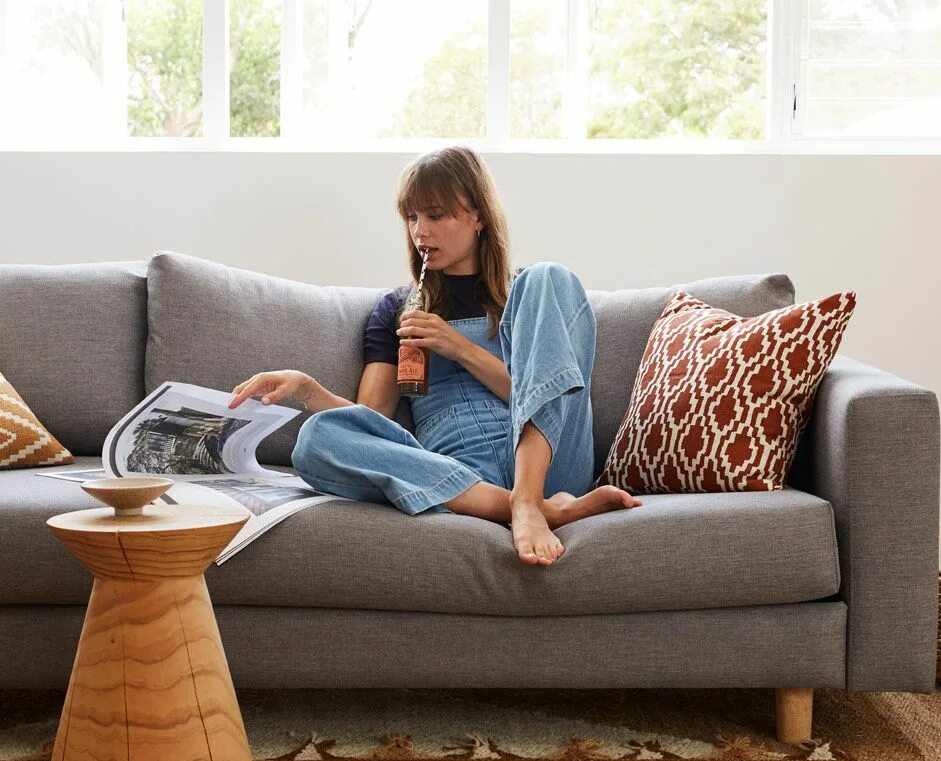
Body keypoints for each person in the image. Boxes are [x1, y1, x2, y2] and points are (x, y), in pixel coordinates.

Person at [228, 146, 641, 567]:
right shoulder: (397, 308)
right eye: (412, 217)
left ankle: (530, 496)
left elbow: (539, 401)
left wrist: (457, 347)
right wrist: (306, 389)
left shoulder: (527, 297)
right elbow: (371, 422)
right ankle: (531, 508)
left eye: (436, 215)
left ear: (478, 215)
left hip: (545, 456)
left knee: (550, 274)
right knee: (318, 437)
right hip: (458, 475)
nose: (420, 231)